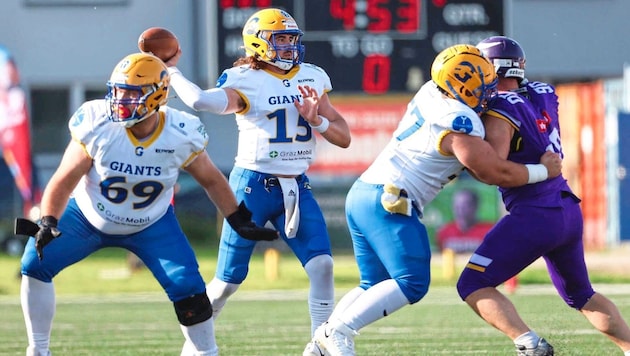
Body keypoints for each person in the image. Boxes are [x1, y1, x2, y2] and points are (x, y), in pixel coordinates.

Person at [303, 43, 562, 356]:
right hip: (390, 199)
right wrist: (541, 171)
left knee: (374, 283)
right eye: (484, 85)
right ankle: (338, 332)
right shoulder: (460, 121)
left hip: (364, 193)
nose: (490, 91)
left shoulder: (431, 90)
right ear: (462, 87)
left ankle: (318, 346)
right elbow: (493, 172)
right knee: (412, 282)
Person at [17, 52, 277, 356]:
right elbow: (64, 177)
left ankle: (207, 352)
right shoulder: (98, 122)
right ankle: (38, 350)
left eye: (131, 93)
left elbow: (211, 179)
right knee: (35, 263)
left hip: (151, 224)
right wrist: (49, 220)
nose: (120, 99)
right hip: (88, 216)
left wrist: (236, 217)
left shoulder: (180, 132)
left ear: (157, 96)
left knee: (189, 289)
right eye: (118, 90)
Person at [163, 8, 351, 355]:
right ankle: (196, 345)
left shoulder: (311, 76)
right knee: (227, 283)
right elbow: (200, 101)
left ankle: (319, 346)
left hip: (296, 184)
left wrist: (317, 121)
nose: (289, 46)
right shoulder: (243, 78)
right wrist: (171, 71)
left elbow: (343, 136)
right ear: (258, 42)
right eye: (280, 38)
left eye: (292, 39)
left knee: (323, 265)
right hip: (251, 185)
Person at [456, 35, 630, 355]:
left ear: (492, 70)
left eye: (479, 68)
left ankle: (530, 345)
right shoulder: (544, 92)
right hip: (565, 207)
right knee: (582, 296)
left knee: (471, 284)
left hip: (534, 214)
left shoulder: (500, 107)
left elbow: (493, 167)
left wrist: (459, 158)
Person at [437, 188, 519, 293]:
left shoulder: (489, 230)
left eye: (465, 205)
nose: (460, 209)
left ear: (475, 206)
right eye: (457, 205)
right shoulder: (444, 232)